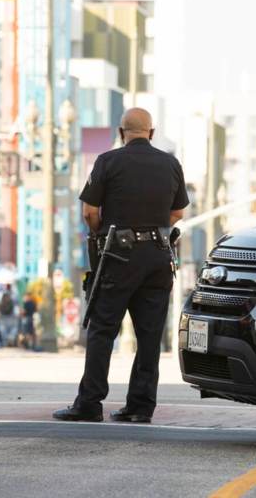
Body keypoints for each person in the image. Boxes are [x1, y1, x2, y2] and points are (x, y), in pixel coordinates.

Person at [53, 107, 188, 424]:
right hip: (158, 256)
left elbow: (90, 211)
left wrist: (103, 233)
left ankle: (90, 402)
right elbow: (178, 212)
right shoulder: (171, 163)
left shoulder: (107, 161)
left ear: (120, 132)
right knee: (150, 335)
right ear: (151, 133)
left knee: (102, 329)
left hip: (118, 255)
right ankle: (140, 407)